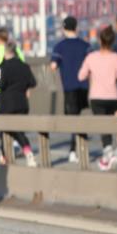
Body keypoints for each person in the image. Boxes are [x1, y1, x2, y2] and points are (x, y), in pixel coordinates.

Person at [78, 25, 117, 171]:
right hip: (113, 95)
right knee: (113, 124)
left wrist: (91, 74)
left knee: (102, 126)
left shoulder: (91, 57)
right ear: (113, 42)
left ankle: (108, 152)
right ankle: (113, 152)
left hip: (97, 96)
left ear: (100, 40)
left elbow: (80, 76)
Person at [50, 16, 91, 163]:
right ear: (76, 27)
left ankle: (74, 150)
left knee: (73, 119)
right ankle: (81, 146)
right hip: (84, 86)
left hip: (69, 86)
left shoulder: (59, 47)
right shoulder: (85, 45)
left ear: (63, 28)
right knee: (81, 117)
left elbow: (53, 66)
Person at [0, 43, 38, 167]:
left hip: (8, 103)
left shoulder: (2, 67)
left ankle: (6, 156)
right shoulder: (24, 66)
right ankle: (26, 152)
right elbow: (33, 82)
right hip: (23, 103)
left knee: (5, 131)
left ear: (5, 52)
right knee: (18, 130)